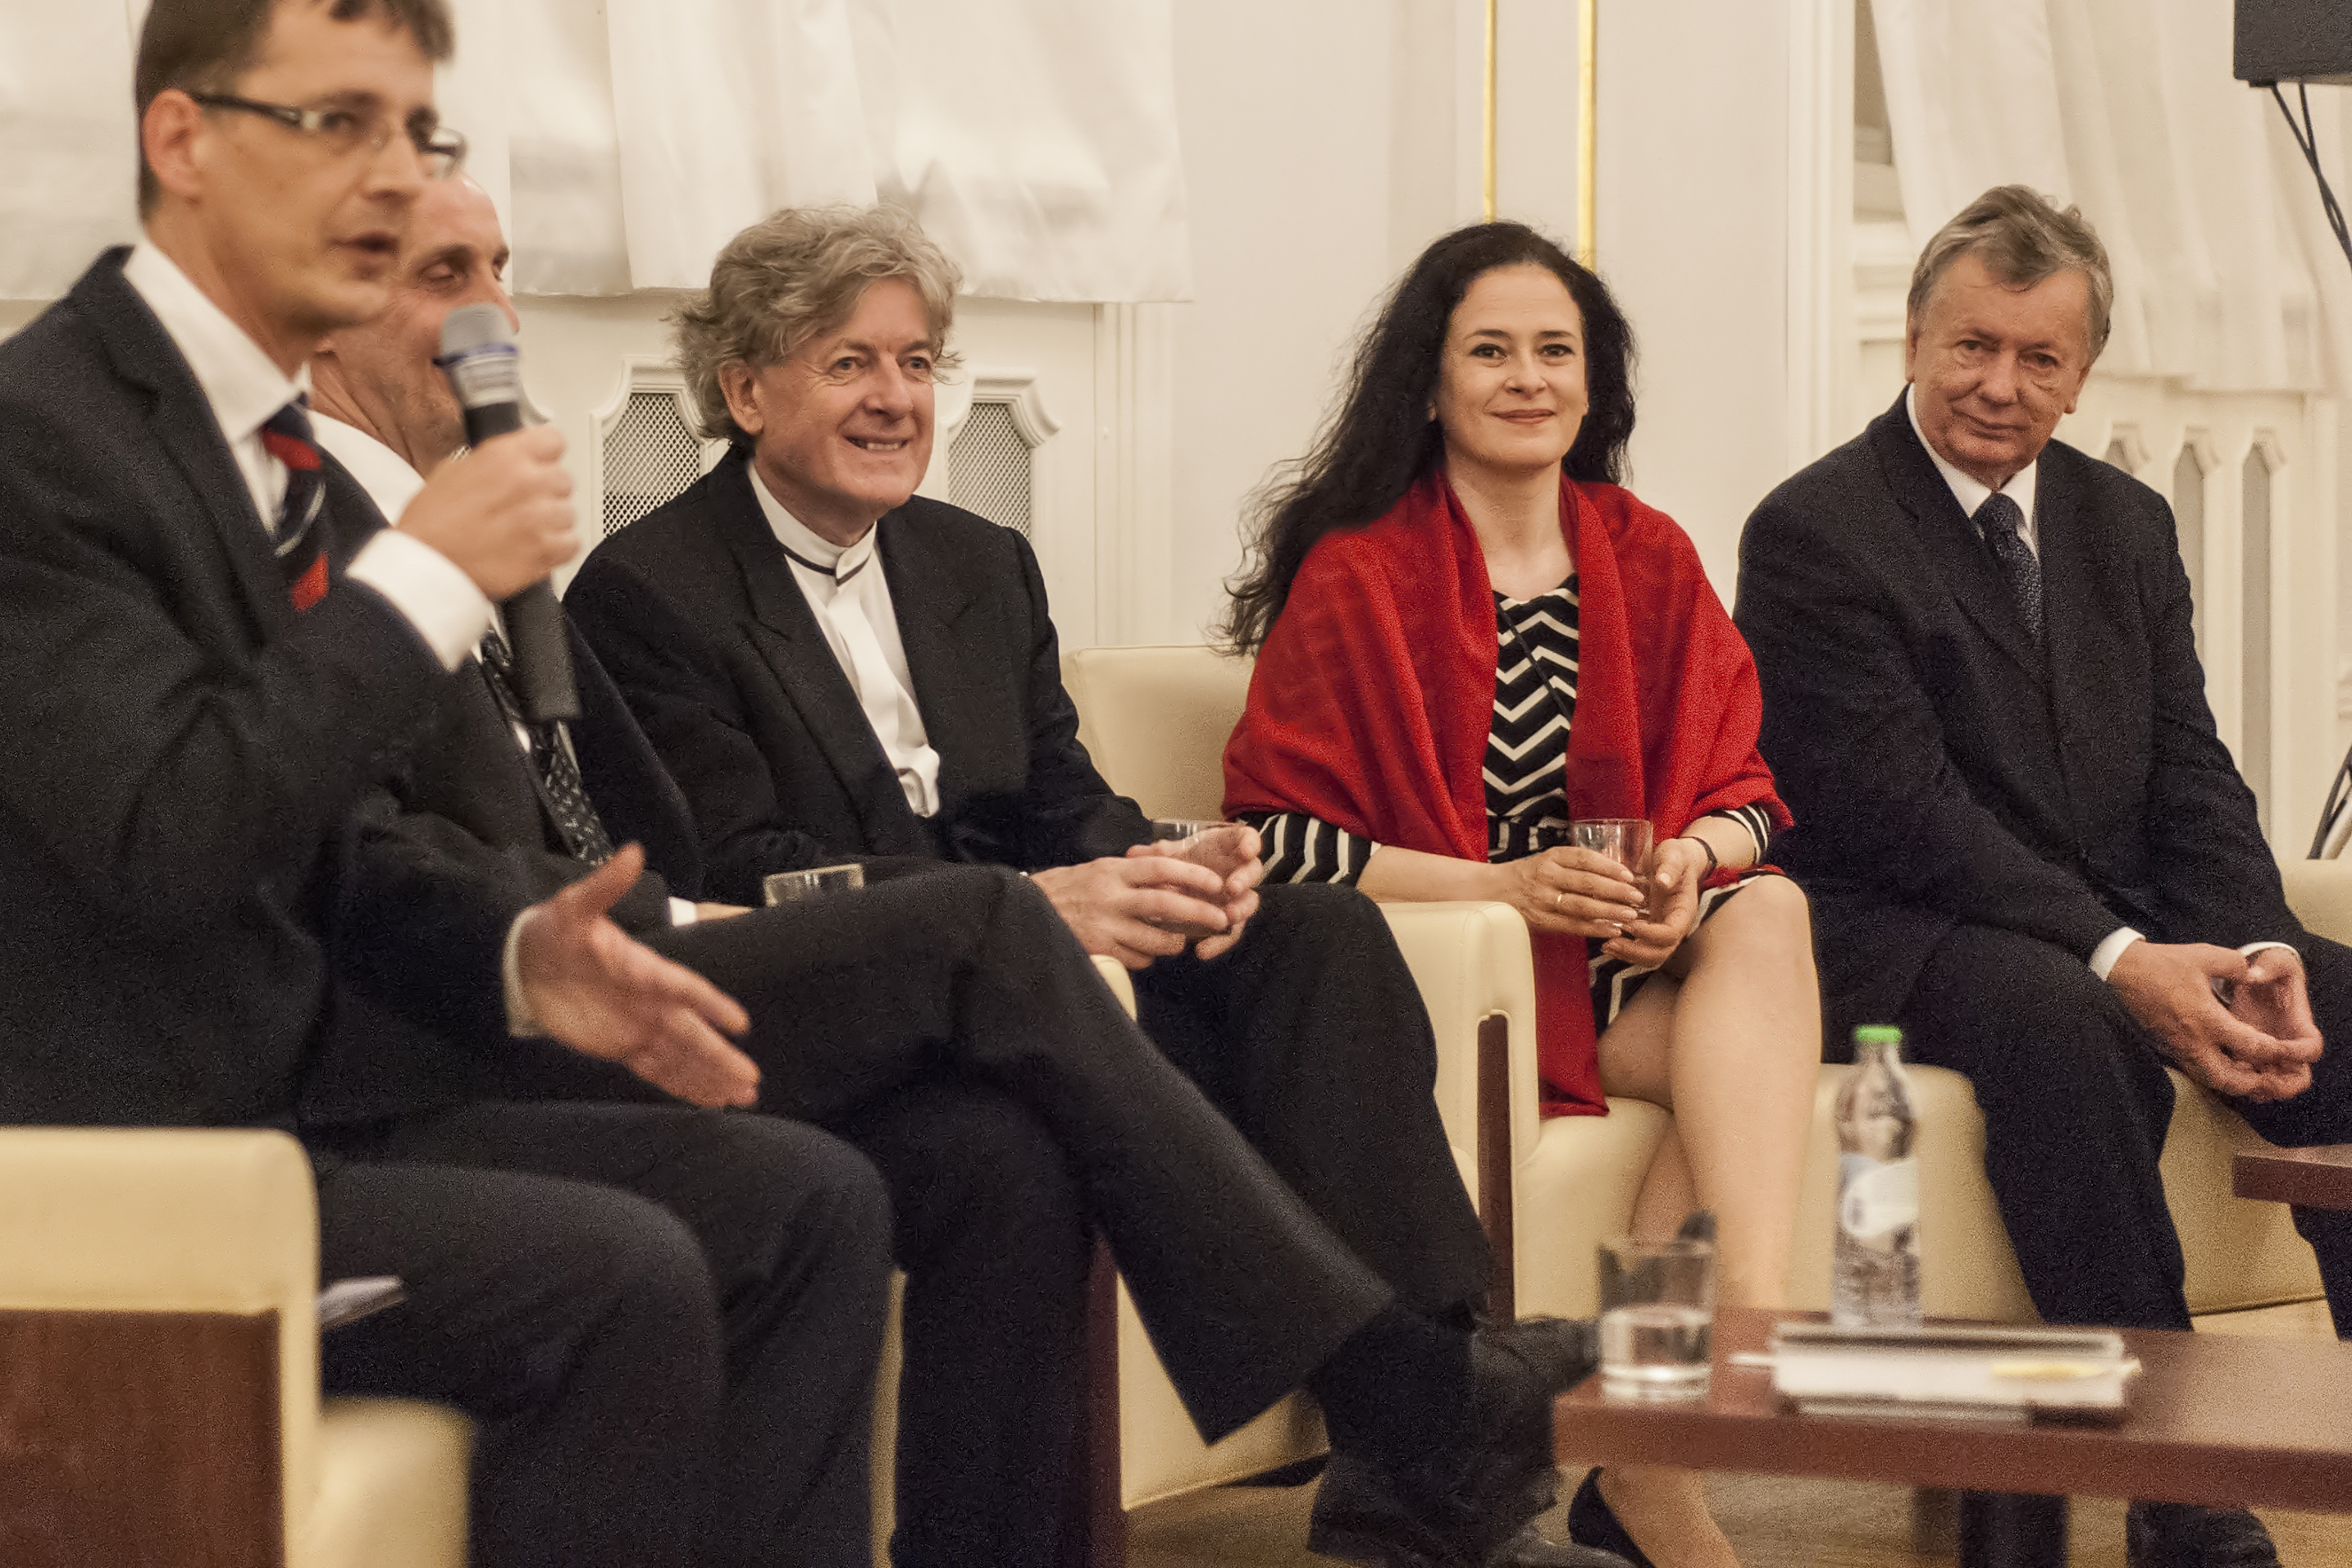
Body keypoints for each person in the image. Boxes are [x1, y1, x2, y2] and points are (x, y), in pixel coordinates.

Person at [306, 176, 1624, 1568]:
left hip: (1027, 975)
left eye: (918, 363)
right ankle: (1422, 1399)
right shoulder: (648, 585)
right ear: (745, 392)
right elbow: (723, 864)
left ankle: (1416, 1451)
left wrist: (1168, 868)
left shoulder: (980, 562)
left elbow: (1066, 798)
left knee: (1307, 937)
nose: (896, 398)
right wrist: (1037, 912)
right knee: (998, 1021)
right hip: (848, 970)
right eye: (851, 364)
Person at [0, 2, 901, 1564]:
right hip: (135, 1173)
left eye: (416, 131)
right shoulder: (43, 436)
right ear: (183, 142)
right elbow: (167, 829)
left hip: (321, 1119)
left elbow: (330, 835)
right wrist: (423, 580)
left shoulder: (254, 439)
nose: (395, 176)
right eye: (338, 124)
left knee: (809, 1205)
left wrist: (521, 952)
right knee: (619, 1276)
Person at [1736, 184, 2352, 1568]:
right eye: (1972, 346)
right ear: (1912, 340)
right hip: (1896, 925)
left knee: (2343, 1007)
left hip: (2090, 918)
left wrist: (2260, 951)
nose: (1999, 386)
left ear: (2082, 378)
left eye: (2038, 358)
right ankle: (2176, 1480)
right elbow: (1904, 815)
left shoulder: (2124, 523)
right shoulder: (1816, 532)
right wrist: (2122, 959)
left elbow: (2190, 772)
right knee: (2067, 1020)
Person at [1217, 221, 1820, 1568]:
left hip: (1618, 965)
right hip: (1462, 973)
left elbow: (1753, 799)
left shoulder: (1646, 553)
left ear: (1594, 384)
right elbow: (1275, 838)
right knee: (1740, 1050)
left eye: (1556, 351)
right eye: (1490, 351)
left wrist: (1688, 869)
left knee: (1767, 910)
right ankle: (1693, 1414)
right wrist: (1502, 887)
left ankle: (1697, 1384)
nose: (1528, 378)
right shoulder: (1360, 570)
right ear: (1430, 385)